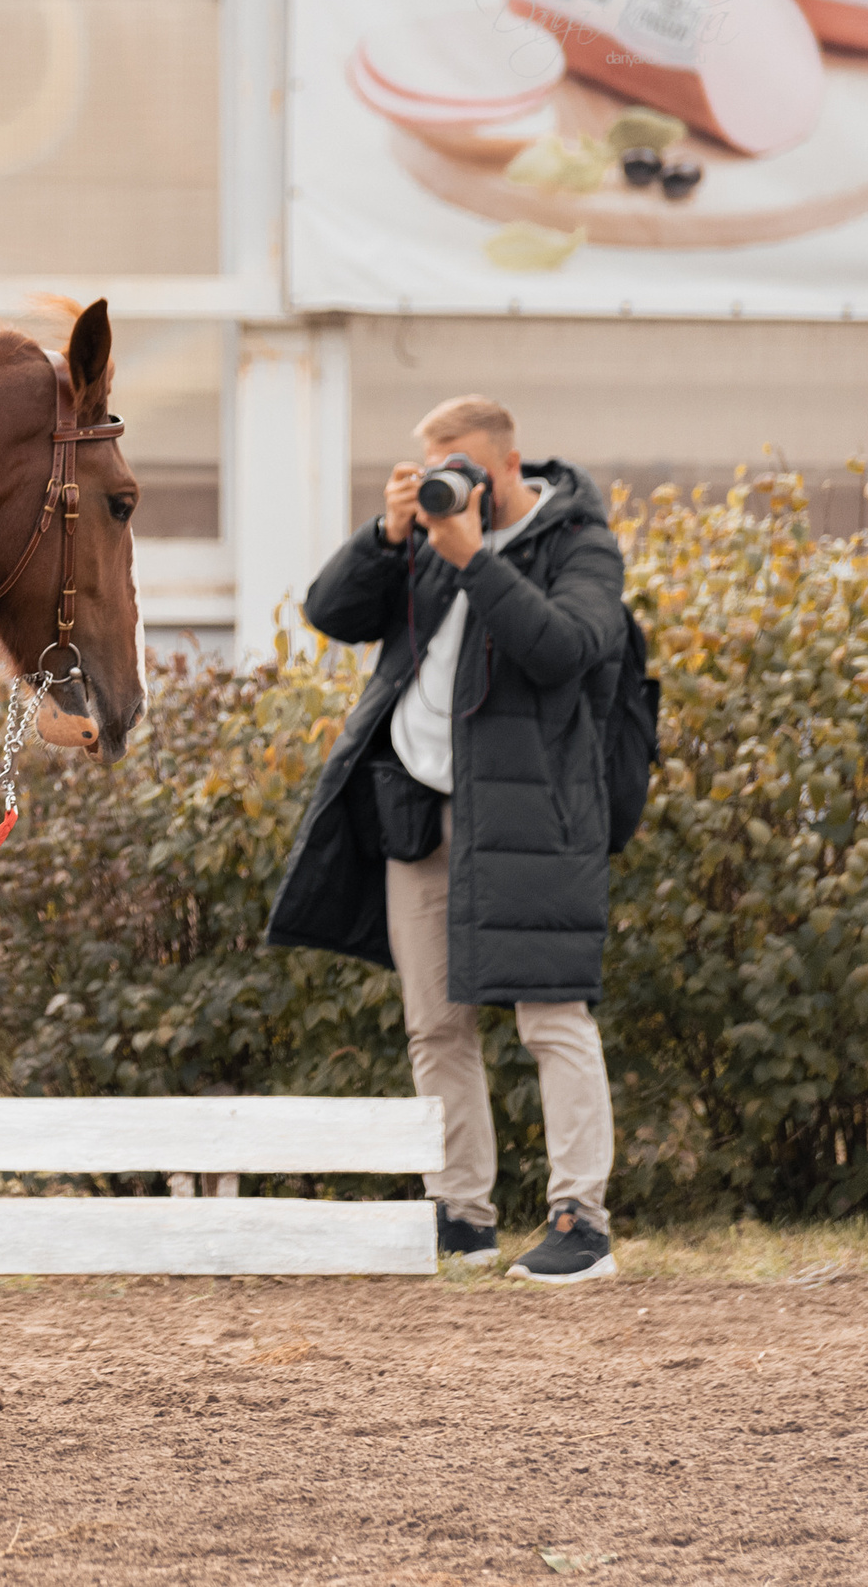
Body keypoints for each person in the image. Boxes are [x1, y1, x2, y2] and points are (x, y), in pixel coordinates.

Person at [266, 395, 627, 1285]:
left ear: (506, 464)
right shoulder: (425, 537)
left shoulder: (579, 540)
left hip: (530, 814)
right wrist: (386, 537)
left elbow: (565, 648)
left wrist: (472, 559)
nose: (447, 484)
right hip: (415, 804)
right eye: (434, 469)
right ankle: (461, 1213)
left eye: (461, 466)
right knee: (435, 1022)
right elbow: (330, 612)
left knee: (552, 1015)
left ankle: (582, 1219)